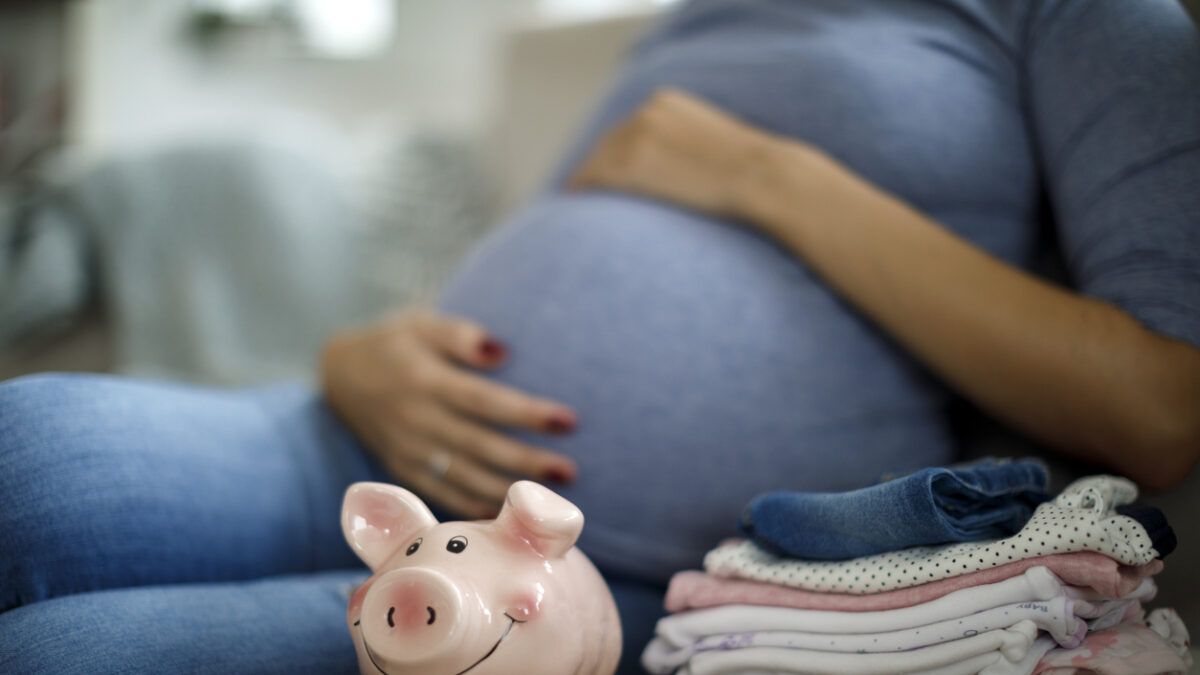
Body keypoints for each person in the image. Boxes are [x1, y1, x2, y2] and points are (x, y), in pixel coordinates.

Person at [3, 0, 1199, 673]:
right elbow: (557, 251)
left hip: (624, 574)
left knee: (73, 656)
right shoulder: (692, 21)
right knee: (25, 456)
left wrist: (762, 173)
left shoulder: (1077, 14)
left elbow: (1163, 404)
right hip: (351, 443)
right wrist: (361, 351)